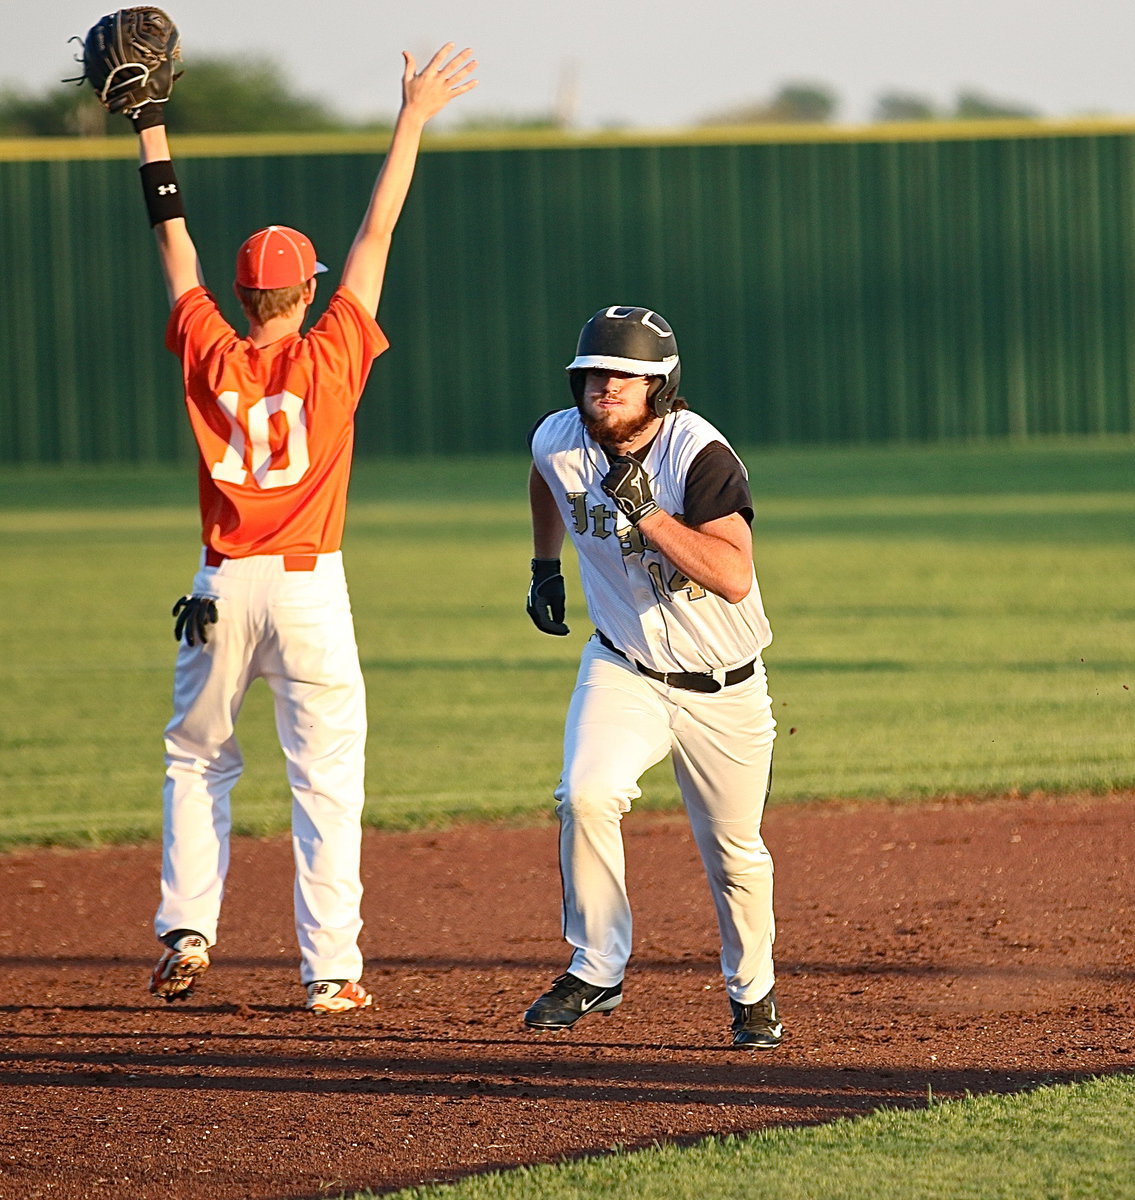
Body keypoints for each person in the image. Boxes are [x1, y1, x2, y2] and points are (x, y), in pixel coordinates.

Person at [131, 45, 477, 1012]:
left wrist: (148, 123)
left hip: (219, 584)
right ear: (309, 292)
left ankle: (188, 927)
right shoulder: (333, 353)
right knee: (325, 782)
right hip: (309, 587)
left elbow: (175, 243)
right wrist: (412, 115)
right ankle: (331, 976)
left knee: (196, 759)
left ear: (243, 297)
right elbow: (378, 230)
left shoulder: (205, 341)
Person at [523, 306, 783, 1048]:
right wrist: (545, 566)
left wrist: (650, 517)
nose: (604, 387)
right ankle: (597, 965)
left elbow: (733, 575)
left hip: (723, 685)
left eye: (624, 377)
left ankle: (753, 993)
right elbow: (545, 474)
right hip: (622, 666)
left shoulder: (697, 455)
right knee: (586, 792)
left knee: (734, 854)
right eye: (593, 374)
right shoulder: (559, 437)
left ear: (660, 388)